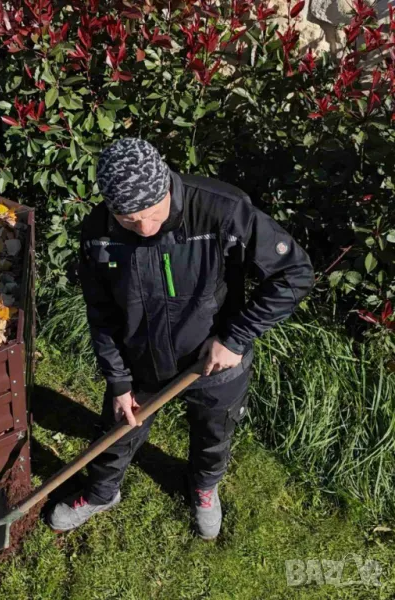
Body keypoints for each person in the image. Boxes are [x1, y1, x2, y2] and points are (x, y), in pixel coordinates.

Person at [48, 138, 314, 539]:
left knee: (214, 434)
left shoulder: (220, 210)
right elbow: (101, 313)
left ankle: (204, 487)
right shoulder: (99, 232)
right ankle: (102, 492)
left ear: (167, 187)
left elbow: (294, 273)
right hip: (141, 363)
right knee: (117, 432)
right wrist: (119, 381)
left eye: (152, 213)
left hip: (214, 363)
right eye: (129, 220)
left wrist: (235, 337)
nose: (146, 229)